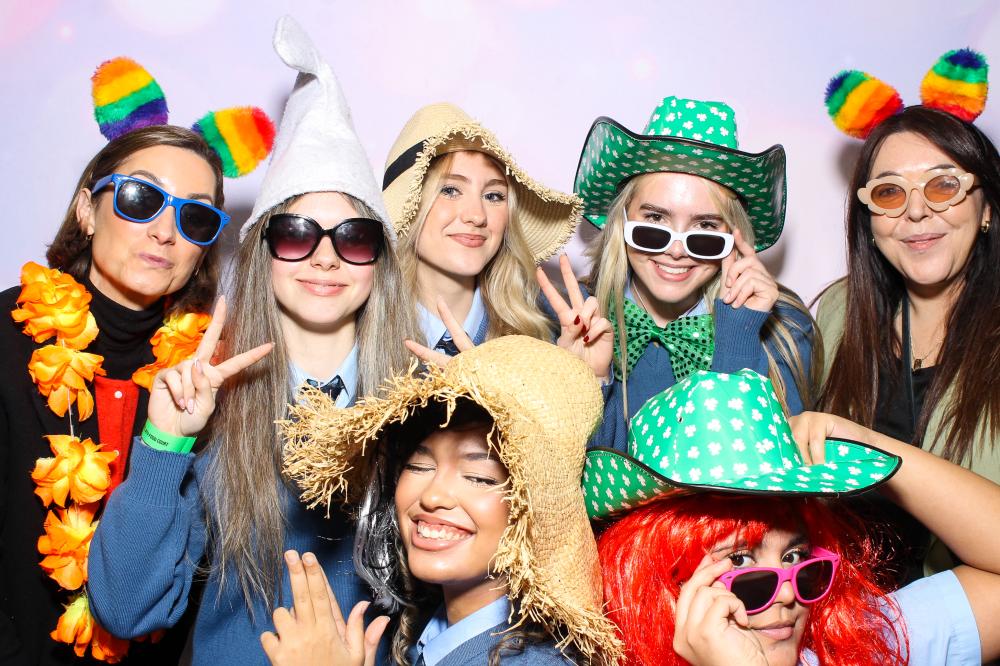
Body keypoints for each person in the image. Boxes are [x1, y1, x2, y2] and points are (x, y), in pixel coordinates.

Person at [85, 18, 417, 665]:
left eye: (354, 237)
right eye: (297, 233)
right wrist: (164, 443)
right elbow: (125, 608)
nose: (325, 257)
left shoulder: (421, 406)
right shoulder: (208, 404)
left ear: (378, 261)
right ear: (263, 251)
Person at [0, 56, 272, 665]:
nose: (165, 231)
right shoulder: (4, 338)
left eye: (194, 216)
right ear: (87, 209)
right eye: (141, 198)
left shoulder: (216, 376)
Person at [590, 369, 1000, 665]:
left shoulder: (860, 644)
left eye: (795, 557)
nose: (789, 594)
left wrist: (871, 446)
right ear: (664, 579)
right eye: (740, 560)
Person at [277, 336, 622, 665]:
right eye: (419, 466)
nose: (432, 496)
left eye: (479, 477)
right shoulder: (433, 633)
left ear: (536, 512)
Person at [817, 48, 1000, 584]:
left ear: (987, 207)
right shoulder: (838, 313)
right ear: (869, 220)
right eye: (890, 192)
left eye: (943, 185)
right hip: (838, 607)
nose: (916, 211)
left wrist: (864, 444)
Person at [575, 96, 817, 453]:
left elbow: (745, 469)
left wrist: (738, 338)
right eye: (655, 219)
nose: (676, 250)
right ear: (621, 221)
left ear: (734, 234)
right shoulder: (573, 318)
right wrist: (589, 381)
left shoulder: (784, 332)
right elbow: (577, 476)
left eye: (705, 226)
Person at [382, 102, 582, 356]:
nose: (477, 216)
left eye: (493, 196)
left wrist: (587, 373)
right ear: (408, 207)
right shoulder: (359, 335)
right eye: (450, 190)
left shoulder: (554, 331)